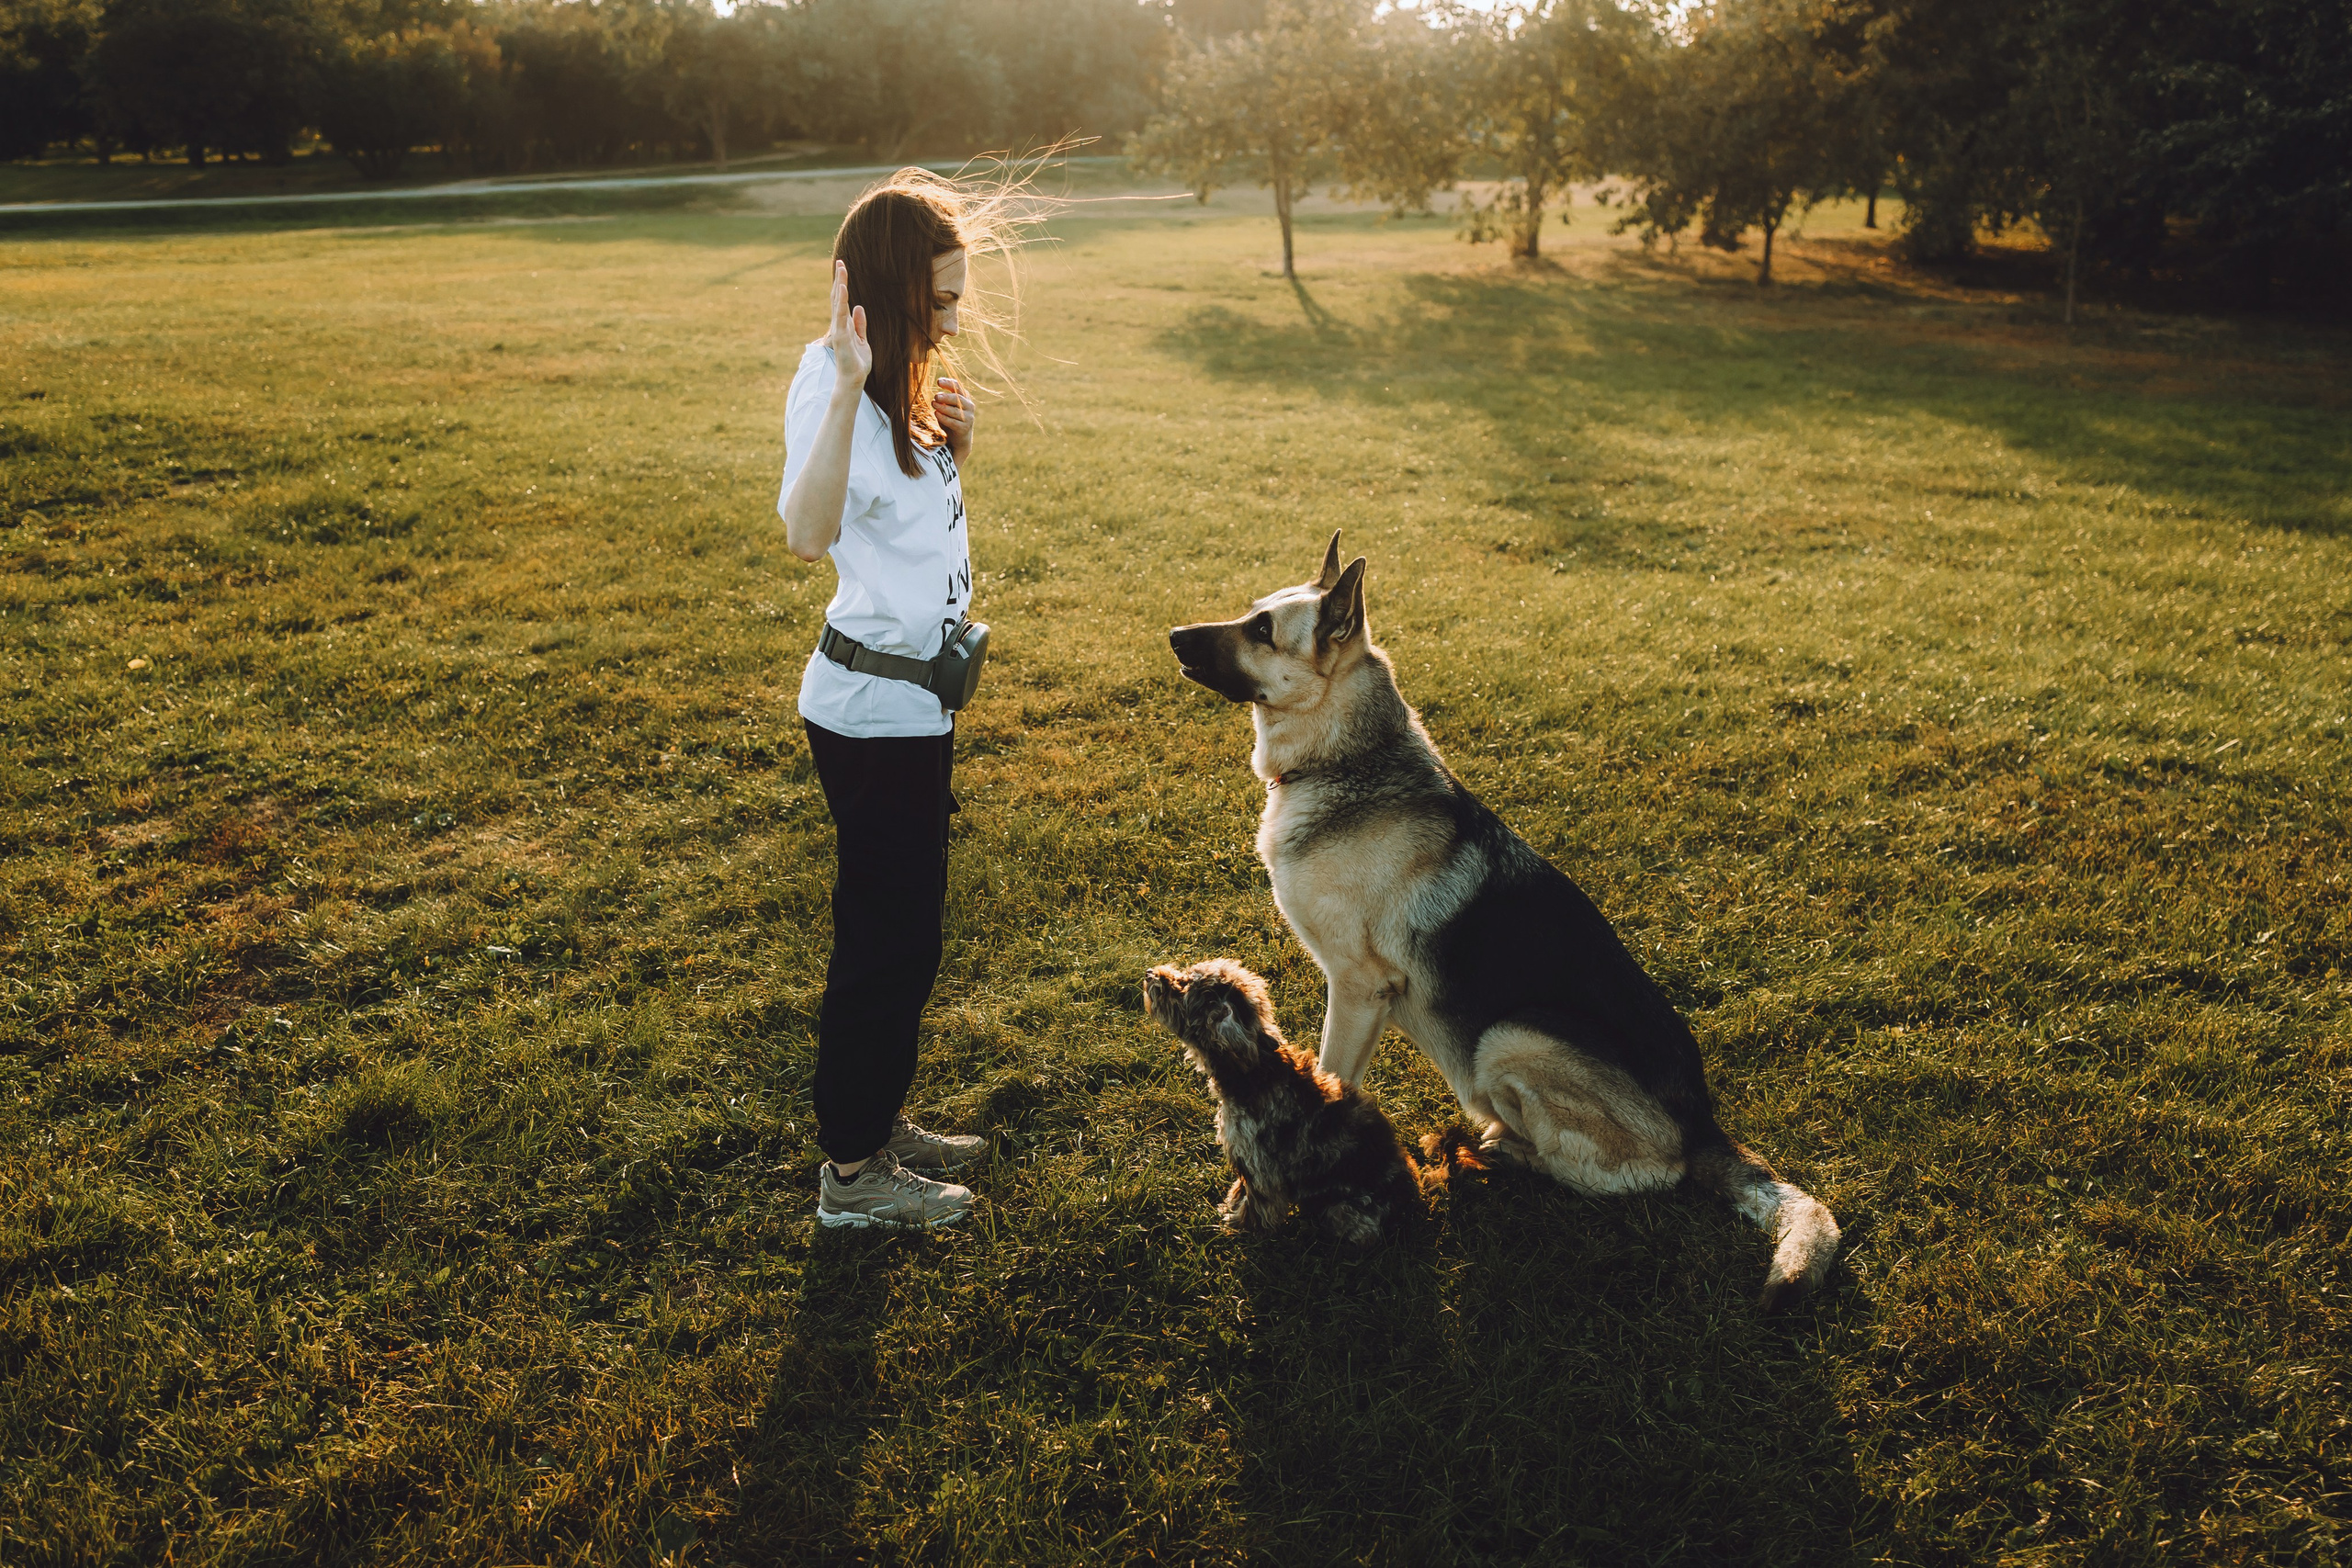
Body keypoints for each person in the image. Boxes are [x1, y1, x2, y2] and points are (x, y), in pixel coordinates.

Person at [778, 168, 1026, 1229]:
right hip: (873, 716)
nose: (957, 315)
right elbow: (807, 527)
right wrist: (843, 388)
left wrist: (954, 449)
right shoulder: (833, 379)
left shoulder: (911, 385)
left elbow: (915, 531)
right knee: (886, 939)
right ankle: (852, 1173)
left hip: (917, 711)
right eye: (944, 297)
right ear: (887, 289)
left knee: (906, 930)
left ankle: (874, 1120)